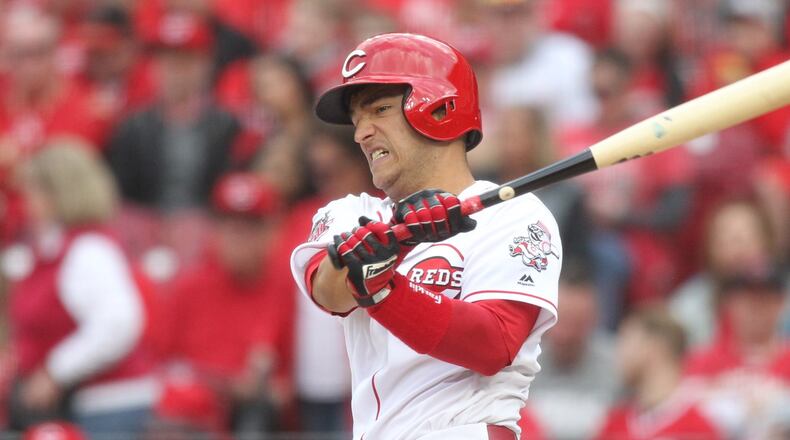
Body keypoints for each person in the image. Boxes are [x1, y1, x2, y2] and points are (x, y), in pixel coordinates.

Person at [290, 33, 562, 440]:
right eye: (357, 120)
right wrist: (396, 240)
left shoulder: (516, 214)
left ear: (439, 109)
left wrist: (383, 290)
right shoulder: (349, 213)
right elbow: (329, 292)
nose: (360, 134)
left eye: (379, 110)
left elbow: (492, 344)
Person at [7, 144, 156, 438]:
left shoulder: (88, 251)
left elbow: (118, 324)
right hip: (77, 405)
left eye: (35, 191)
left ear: (59, 193)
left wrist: (55, 371)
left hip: (106, 407)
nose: (26, 202)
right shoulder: (54, 249)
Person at [153, 172, 294, 437]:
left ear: (271, 231)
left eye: (250, 228)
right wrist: (225, 384)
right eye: (231, 227)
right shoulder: (189, 286)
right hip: (193, 418)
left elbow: (289, 383)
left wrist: (264, 387)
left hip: (255, 418)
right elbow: (162, 364)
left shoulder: (286, 285)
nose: (238, 239)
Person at [595, 308, 722, 440]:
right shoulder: (614, 423)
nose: (619, 353)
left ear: (655, 346)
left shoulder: (700, 424)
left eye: (627, 340)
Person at [526, 263, 617, 439]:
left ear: (594, 320)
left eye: (575, 324)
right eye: (559, 322)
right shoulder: (522, 364)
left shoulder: (619, 366)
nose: (565, 335)